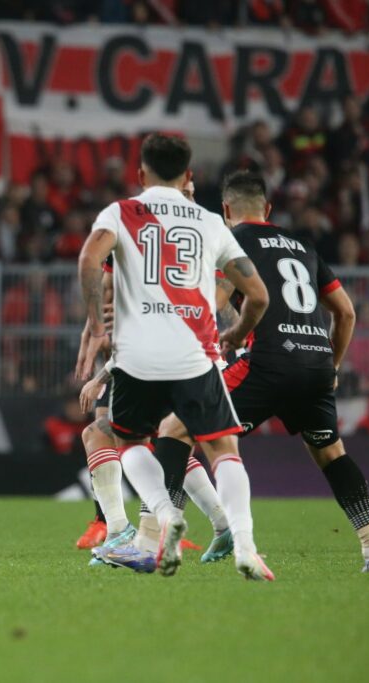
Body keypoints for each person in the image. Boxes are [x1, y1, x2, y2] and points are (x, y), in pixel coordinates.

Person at [156, 170, 369, 573]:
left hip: (266, 363)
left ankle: (160, 535)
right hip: (316, 365)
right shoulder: (303, 245)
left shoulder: (233, 241)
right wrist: (331, 366)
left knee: (174, 429)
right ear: (268, 208)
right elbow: (346, 313)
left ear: (226, 209)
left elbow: (214, 299)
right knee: (331, 453)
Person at [77, 133, 274, 580]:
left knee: (128, 442)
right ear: (190, 175)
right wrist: (236, 332)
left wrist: (96, 327)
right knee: (223, 449)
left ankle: (165, 515)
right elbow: (257, 296)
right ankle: (245, 544)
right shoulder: (209, 222)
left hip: (137, 359)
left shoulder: (122, 212)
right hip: (195, 355)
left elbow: (90, 260)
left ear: (140, 173)